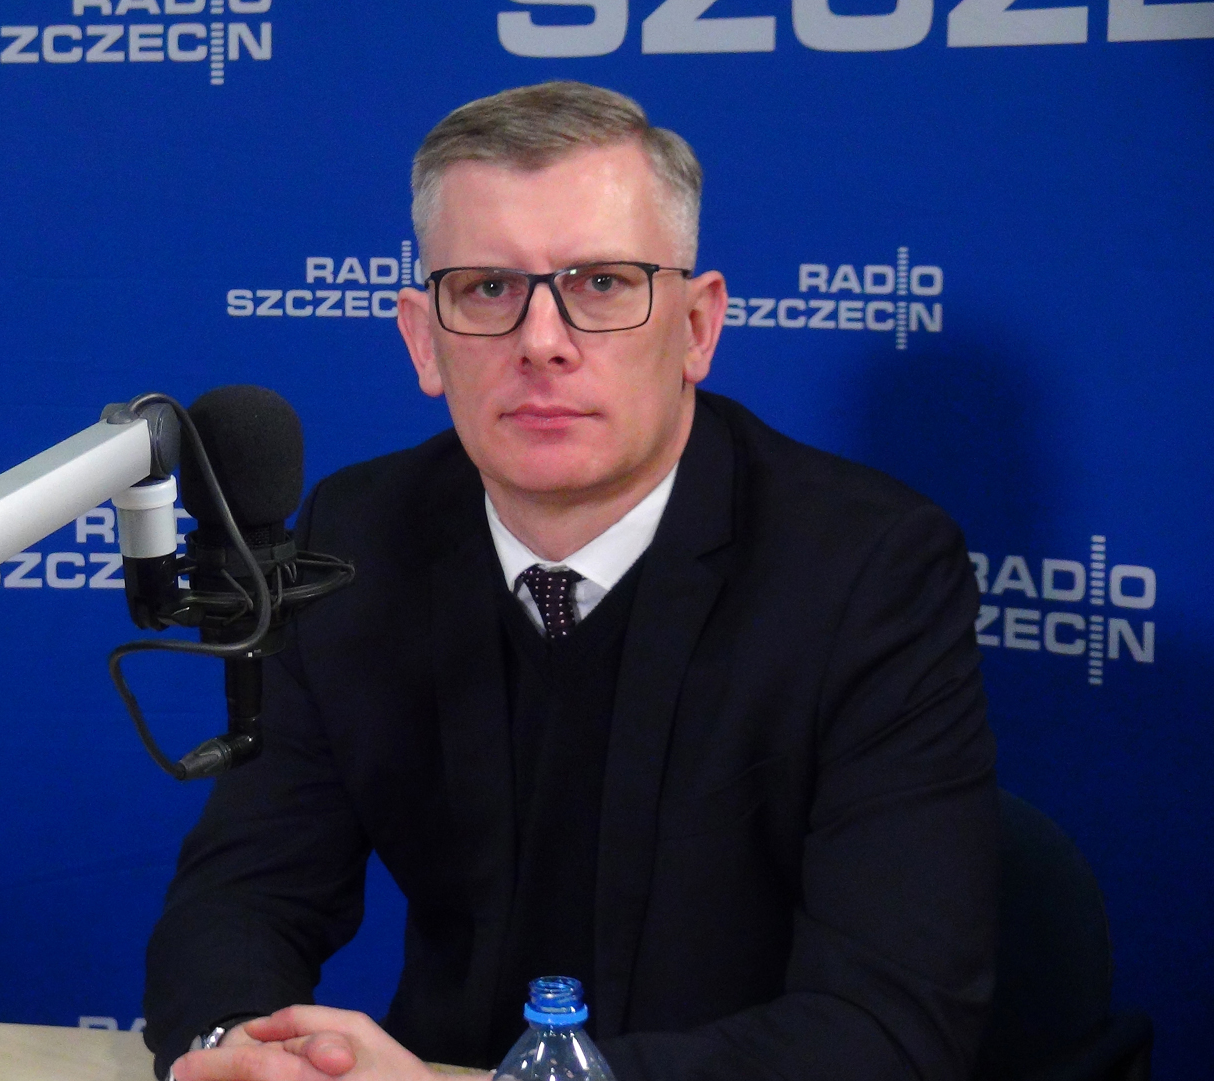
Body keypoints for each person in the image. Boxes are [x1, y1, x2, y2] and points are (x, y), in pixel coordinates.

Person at [144, 82, 997, 1081]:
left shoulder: (869, 569)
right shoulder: (357, 536)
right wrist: (236, 1049)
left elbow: (890, 1026)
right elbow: (245, 891)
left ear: (697, 327)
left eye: (601, 283)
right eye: (487, 289)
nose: (541, 340)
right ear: (423, 338)